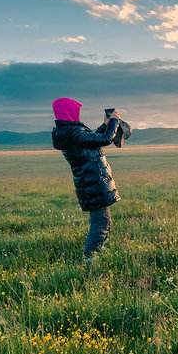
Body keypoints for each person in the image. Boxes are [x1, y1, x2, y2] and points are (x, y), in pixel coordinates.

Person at [51, 97, 122, 259]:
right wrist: (114, 122)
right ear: (69, 112)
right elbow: (104, 139)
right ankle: (90, 258)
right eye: (76, 110)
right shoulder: (73, 132)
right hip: (93, 183)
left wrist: (105, 124)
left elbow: (93, 139)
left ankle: (98, 252)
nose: (78, 113)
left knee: (103, 222)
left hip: (90, 182)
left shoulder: (69, 132)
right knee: (100, 224)